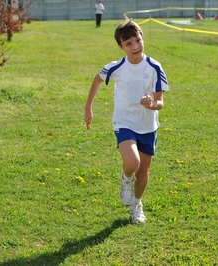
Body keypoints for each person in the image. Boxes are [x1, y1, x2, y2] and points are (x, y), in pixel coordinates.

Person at [84, 20, 169, 223]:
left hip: (148, 125)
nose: (135, 47)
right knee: (132, 163)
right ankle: (125, 179)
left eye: (138, 41)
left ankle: (136, 205)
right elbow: (97, 80)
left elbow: (160, 102)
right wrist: (88, 109)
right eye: (128, 43)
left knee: (143, 172)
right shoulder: (116, 67)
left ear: (143, 39)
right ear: (121, 47)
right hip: (124, 122)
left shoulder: (155, 67)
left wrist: (152, 104)